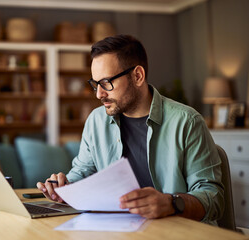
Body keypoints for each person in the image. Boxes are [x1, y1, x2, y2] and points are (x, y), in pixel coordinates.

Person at [37, 34, 224, 225]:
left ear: (137, 76)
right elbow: (83, 171)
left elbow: (214, 198)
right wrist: (64, 186)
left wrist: (172, 203)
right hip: (118, 229)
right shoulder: (96, 121)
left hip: (178, 231)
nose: (99, 94)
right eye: (95, 84)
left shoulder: (187, 121)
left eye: (106, 83)